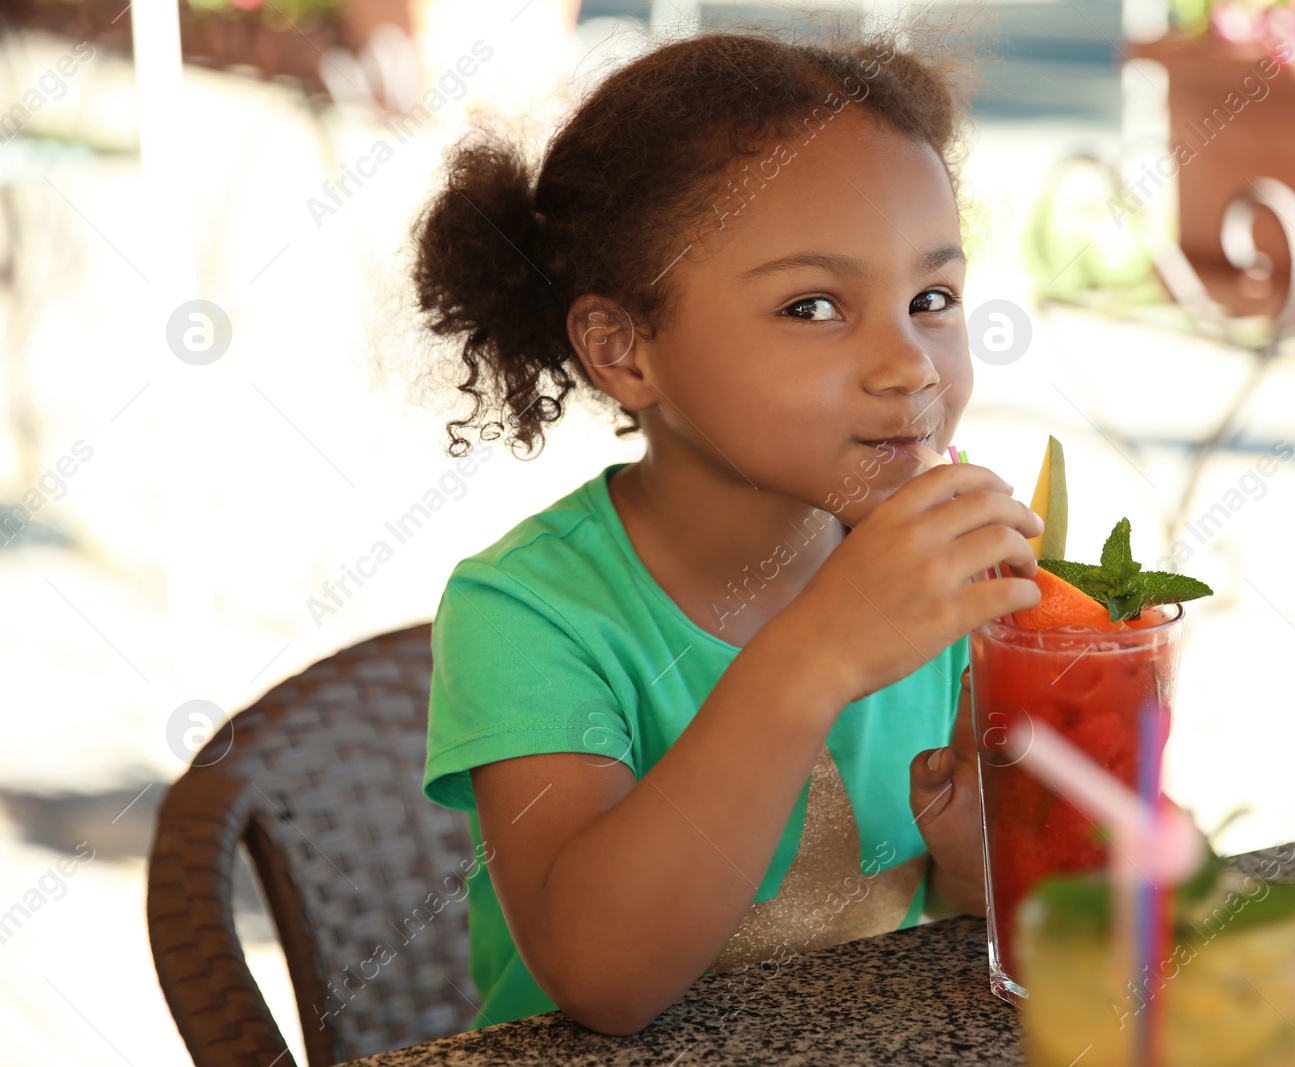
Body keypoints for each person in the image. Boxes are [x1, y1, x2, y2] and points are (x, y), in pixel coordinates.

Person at [410, 17, 1040, 1037]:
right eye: (811, 307)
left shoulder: (945, 582)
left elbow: (991, 924)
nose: (911, 365)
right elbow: (601, 975)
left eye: (932, 297)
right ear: (623, 350)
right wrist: (819, 654)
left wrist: (984, 858)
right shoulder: (529, 613)